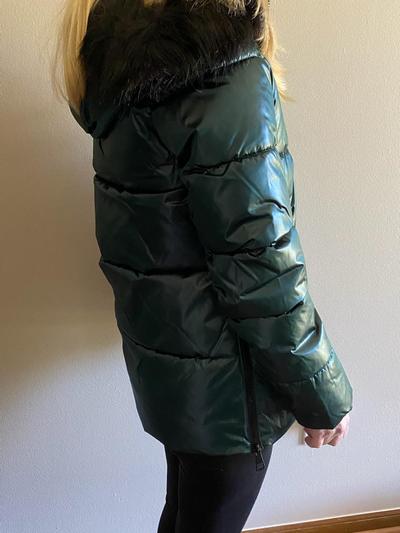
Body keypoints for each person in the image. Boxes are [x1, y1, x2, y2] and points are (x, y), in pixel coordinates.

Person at [51, 0, 353, 531]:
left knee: (184, 514)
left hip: (177, 376)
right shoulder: (225, 77)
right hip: (229, 390)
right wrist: (323, 395)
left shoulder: (123, 68)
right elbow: (262, 266)